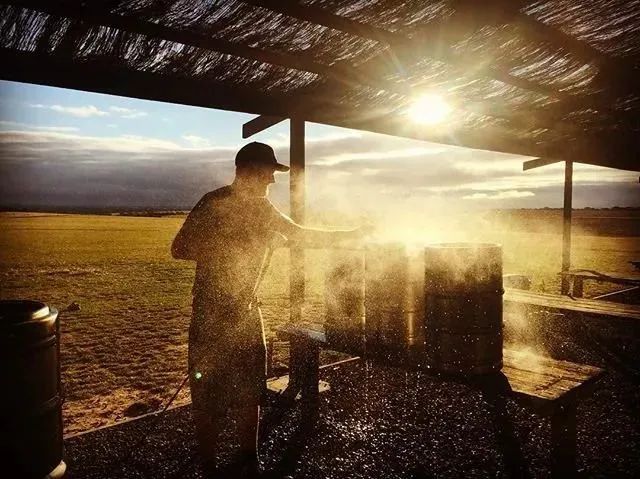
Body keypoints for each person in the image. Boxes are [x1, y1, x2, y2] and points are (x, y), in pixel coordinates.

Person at [171, 142, 368, 477]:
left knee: (251, 388)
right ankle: (208, 466)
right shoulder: (214, 202)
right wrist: (240, 243)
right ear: (247, 171)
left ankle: (249, 459)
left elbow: (300, 235)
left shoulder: (263, 210)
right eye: (267, 174)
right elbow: (179, 248)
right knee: (207, 394)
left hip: (248, 312)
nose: (271, 182)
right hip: (210, 315)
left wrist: (353, 234)